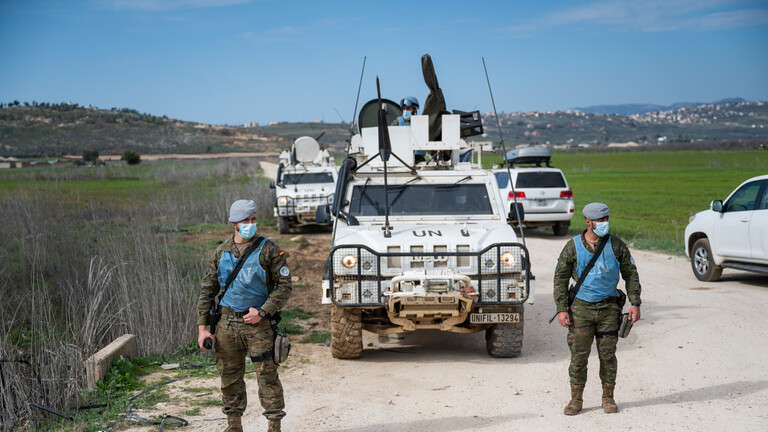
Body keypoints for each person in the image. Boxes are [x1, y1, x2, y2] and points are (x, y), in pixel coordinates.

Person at [197, 199, 292, 432]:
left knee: (267, 376)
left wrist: (263, 311)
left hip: (258, 325)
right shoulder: (221, 252)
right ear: (233, 223)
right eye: (245, 220)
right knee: (229, 379)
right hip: (226, 325)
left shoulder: (268, 249)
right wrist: (202, 328)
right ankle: (234, 426)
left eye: (253, 219)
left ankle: (274, 427)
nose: (250, 224)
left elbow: (284, 286)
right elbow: (207, 290)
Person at [553, 202, 641, 416]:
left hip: (609, 309)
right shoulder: (572, 247)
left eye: (606, 219)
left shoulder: (616, 245)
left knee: (608, 356)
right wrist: (562, 309)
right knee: (579, 357)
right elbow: (560, 278)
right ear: (588, 222)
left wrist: (635, 303)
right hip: (580, 310)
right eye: (600, 220)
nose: (604, 223)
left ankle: (608, 398)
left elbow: (631, 274)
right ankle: (576, 400)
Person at [391, 96, 427, 164]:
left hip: (418, 159)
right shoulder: (397, 122)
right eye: (404, 109)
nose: (405, 111)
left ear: (415, 110)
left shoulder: (420, 123)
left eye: (408, 109)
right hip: (401, 157)